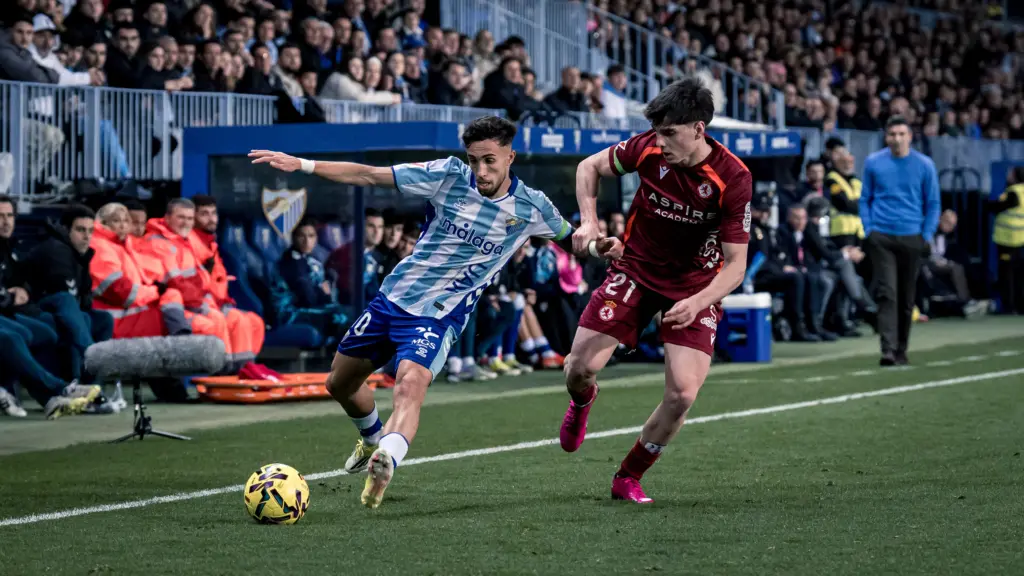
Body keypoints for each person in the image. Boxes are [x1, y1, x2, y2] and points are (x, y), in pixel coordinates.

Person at [249, 116, 622, 509]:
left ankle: (387, 459)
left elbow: (573, 241)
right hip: (393, 299)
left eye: (490, 161)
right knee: (339, 384)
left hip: (439, 315)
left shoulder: (532, 206)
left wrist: (600, 247)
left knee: (410, 385)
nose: (481, 170)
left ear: (510, 157)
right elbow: (369, 175)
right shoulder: (448, 175)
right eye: (474, 160)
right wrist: (304, 165)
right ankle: (373, 437)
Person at [561, 77, 753, 503]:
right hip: (635, 270)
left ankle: (628, 476)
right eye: (657, 131)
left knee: (683, 392)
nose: (660, 141)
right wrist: (590, 221)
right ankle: (582, 402)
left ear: (699, 129)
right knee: (578, 369)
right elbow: (587, 167)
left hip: (695, 285)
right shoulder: (647, 147)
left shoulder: (732, 177)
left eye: (670, 132)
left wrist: (699, 300)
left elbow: (736, 266)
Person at [860, 116, 940, 366]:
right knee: (888, 293)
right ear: (886, 136)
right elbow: (865, 198)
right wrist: (869, 229)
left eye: (901, 134)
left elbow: (933, 202)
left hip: (912, 235)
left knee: (906, 297)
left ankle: (901, 348)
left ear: (910, 136)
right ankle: (887, 349)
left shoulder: (924, 165)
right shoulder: (874, 162)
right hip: (881, 236)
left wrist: (926, 234)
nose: (896, 138)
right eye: (892, 134)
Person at [990, 167, 1024, 314]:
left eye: (1010, 173)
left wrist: (990, 204)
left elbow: (999, 207)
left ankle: (1009, 307)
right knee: (1018, 275)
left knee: (1007, 275)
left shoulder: (1013, 192)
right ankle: (1019, 305)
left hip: (1007, 240)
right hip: (1020, 239)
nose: (1008, 175)